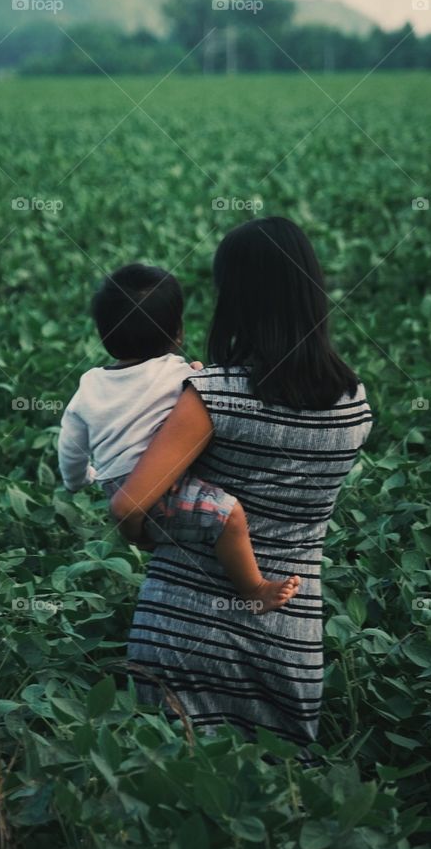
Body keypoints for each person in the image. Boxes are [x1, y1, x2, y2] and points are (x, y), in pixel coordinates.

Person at [109, 218, 373, 765]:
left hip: (181, 634)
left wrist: (148, 535)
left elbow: (129, 504)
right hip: (288, 640)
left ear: (236, 298)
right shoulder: (354, 404)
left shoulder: (211, 395)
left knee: (170, 809)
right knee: (278, 815)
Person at [57, 262, 300, 613]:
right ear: (178, 333)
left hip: (114, 483)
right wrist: (199, 372)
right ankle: (254, 589)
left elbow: (70, 442)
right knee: (228, 515)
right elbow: (204, 392)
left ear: (104, 334)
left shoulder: (90, 384)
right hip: (155, 491)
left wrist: (78, 480)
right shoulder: (176, 373)